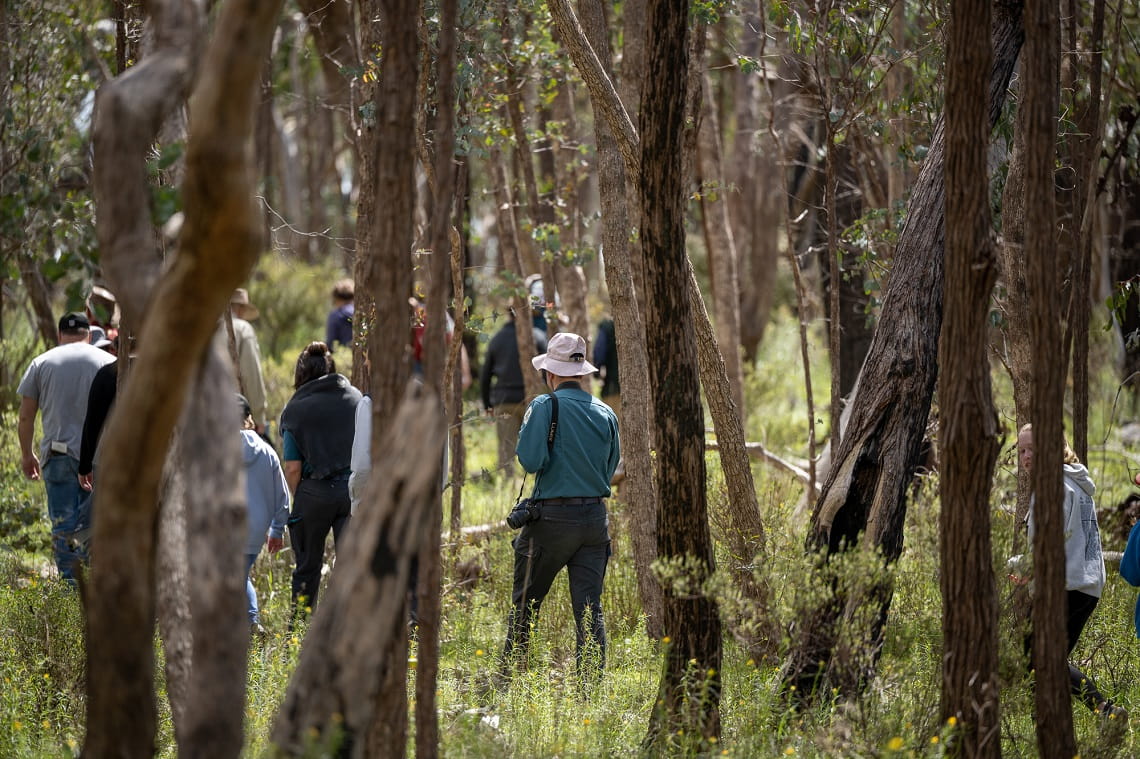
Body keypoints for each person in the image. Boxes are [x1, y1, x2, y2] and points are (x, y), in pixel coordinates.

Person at [499, 332, 620, 678]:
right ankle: (590, 688)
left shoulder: (543, 406)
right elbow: (609, 469)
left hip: (551, 520)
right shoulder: (606, 413)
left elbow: (531, 461)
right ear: (582, 372)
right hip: (595, 522)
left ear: (550, 374)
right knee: (589, 609)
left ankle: (511, 679)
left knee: (525, 605)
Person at [1015, 423, 1127, 720]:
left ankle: (1102, 711)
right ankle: (1096, 714)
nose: (1026, 457)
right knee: (1042, 657)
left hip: (1066, 585)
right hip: (1085, 585)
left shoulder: (1053, 488)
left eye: (1032, 450)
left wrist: (1017, 565)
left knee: (1038, 656)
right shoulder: (1076, 483)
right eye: (1021, 450)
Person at [17, 312, 116, 580]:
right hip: (101, 458)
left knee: (64, 526)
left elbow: (26, 416)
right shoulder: (110, 363)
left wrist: (27, 455)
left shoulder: (41, 362)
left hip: (58, 455)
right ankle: (93, 588)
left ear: (60, 335)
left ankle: (71, 590)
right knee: (94, 528)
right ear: (89, 333)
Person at [279, 342, 361, 613]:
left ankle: (297, 635)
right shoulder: (355, 398)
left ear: (300, 374)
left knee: (307, 568)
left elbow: (292, 467)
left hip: (313, 492)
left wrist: (299, 496)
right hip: (353, 492)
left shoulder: (295, 409)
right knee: (351, 568)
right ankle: (346, 632)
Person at [237, 393, 289, 634]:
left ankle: (249, 622)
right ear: (249, 419)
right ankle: (249, 623)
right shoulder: (267, 451)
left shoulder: (215, 448)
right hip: (256, 529)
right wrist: (277, 529)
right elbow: (282, 494)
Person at [480, 309, 548, 469]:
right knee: (535, 446)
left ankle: (508, 485)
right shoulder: (536, 336)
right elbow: (548, 370)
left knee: (506, 450)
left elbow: (485, 376)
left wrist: (487, 405)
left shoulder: (497, 339)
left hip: (504, 401)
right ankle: (533, 481)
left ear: (508, 315)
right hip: (531, 400)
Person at [230, 288, 269, 436]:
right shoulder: (243, 329)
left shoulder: (205, 328)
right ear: (241, 309)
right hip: (234, 414)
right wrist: (258, 417)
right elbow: (252, 374)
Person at [325, 278, 355, 350]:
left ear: (336, 298)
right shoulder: (359, 313)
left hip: (343, 357)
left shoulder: (335, 315)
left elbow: (330, 343)